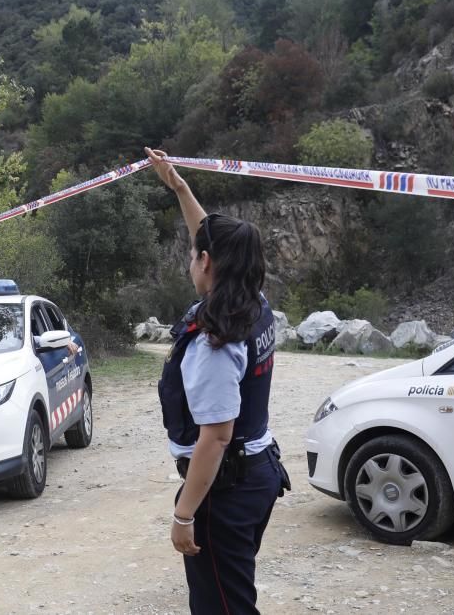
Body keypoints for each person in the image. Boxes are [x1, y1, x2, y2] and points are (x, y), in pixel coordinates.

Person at [145, 146, 290, 614]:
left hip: (225, 490)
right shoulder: (255, 301)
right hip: (259, 472)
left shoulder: (215, 342)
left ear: (206, 263)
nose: (190, 260)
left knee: (223, 607)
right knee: (232, 589)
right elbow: (208, 236)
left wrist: (183, 514)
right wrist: (180, 187)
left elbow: (217, 435)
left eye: (193, 254)